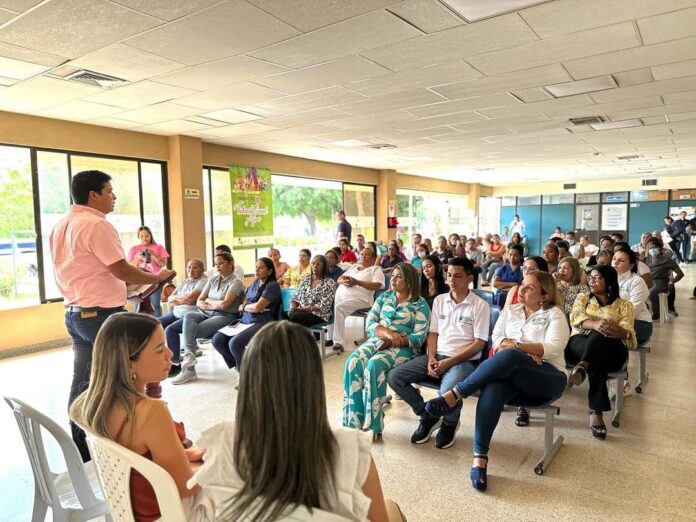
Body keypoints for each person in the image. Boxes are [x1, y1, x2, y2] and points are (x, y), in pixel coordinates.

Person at [189, 321, 405, 521]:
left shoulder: (220, 443)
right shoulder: (352, 451)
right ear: (313, 381)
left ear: (249, 379)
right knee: (391, 507)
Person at [50, 170, 174, 460]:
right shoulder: (97, 225)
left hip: (77, 315)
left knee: (83, 384)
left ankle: (85, 454)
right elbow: (119, 268)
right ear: (94, 194)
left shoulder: (61, 225)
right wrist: (155, 278)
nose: (114, 197)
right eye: (109, 191)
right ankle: (138, 450)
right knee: (128, 382)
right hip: (103, 317)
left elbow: (93, 271)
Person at [424, 271, 569, 491]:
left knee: (510, 356)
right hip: (512, 374)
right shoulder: (510, 311)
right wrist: (521, 351)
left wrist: (519, 348)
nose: (522, 289)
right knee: (494, 385)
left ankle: (456, 393)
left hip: (547, 377)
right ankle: (479, 460)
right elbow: (498, 339)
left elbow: (552, 348)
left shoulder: (554, 314)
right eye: (522, 284)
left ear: (544, 295)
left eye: (530, 287)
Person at [69, 313, 213, 521]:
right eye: (159, 349)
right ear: (129, 363)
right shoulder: (151, 412)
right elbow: (186, 487)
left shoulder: (87, 404)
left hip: (129, 510)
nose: (170, 353)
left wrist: (189, 456)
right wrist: (219, 466)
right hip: (166, 513)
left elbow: (141, 460)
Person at [387, 257, 489, 449]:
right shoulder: (440, 300)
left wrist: (448, 363)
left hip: (463, 361)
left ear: (469, 278)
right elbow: (432, 333)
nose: (451, 279)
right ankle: (427, 415)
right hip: (436, 355)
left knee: (446, 393)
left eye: (457, 276)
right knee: (395, 376)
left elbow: (479, 344)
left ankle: (450, 423)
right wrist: (431, 358)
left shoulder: (480, 305)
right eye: (449, 274)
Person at [343, 263, 430, 440]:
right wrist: (388, 334)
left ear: (409, 281)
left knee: (374, 366)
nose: (393, 280)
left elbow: (419, 337)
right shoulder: (384, 298)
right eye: (394, 276)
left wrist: (394, 341)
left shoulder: (420, 305)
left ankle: (375, 423)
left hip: (404, 348)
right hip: (379, 340)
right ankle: (355, 420)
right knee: (353, 362)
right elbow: (371, 323)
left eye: (399, 277)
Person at [566, 265, 636, 440]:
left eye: (598, 278)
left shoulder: (624, 305)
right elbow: (575, 318)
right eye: (591, 277)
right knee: (598, 343)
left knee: (602, 337)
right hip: (579, 344)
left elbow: (629, 333)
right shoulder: (583, 298)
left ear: (609, 280)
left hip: (613, 350)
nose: (592, 281)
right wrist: (596, 325)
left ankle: (583, 366)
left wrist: (621, 332)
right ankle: (595, 412)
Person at [169, 252, 244, 384]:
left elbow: (225, 305)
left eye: (221, 263)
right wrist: (210, 303)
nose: (218, 266)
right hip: (206, 313)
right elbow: (199, 301)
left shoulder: (236, 282)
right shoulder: (213, 279)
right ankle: (189, 364)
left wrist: (209, 302)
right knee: (189, 315)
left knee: (192, 332)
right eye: (216, 264)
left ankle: (189, 369)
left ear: (230, 264)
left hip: (226, 316)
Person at [211, 257, 282, 373]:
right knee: (217, 339)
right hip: (246, 319)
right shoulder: (255, 283)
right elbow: (246, 299)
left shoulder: (272, 286)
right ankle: (240, 368)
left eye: (261, 267)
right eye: (256, 267)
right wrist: (246, 306)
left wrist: (244, 307)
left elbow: (258, 307)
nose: (257, 270)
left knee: (235, 343)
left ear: (269, 271)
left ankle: (246, 373)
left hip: (262, 321)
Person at [330, 248, 385, 353]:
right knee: (330, 305)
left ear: (373, 258)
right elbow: (339, 279)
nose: (363, 256)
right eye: (361, 254)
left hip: (363, 300)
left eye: (367, 254)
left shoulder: (375, 269)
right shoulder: (354, 267)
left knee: (339, 308)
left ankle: (338, 342)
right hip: (343, 298)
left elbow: (378, 285)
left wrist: (357, 282)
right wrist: (343, 281)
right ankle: (329, 337)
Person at [127, 226, 170, 317]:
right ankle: (138, 325)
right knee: (138, 304)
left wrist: (154, 254)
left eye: (146, 235)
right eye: (141, 236)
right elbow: (130, 267)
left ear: (150, 235)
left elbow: (163, 264)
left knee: (155, 304)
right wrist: (137, 258)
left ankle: (158, 324)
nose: (144, 238)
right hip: (139, 280)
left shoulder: (159, 247)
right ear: (138, 237)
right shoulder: (134, 249)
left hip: (156, 279)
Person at [612, 248, 652, 344]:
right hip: (613, 319)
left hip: (638, 322)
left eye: (621, 260)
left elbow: (633, 310)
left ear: (631, 265)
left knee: (608, 334)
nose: (615, 262)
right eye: (614, 258)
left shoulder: (637, 281)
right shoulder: (608, 279)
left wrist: (609, 318)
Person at [289, 255, 337, 328]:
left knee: (295, 317)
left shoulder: (329, 282)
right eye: (313, 263)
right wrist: (293, 308)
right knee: (287, 315)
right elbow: (295, 297)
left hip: (319, 314)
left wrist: (303, 309)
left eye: (318, 264)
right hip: (301, 311)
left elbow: (323, 306)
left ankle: (300, 337)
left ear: (324, 266)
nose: (315, 266)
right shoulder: (306, 280)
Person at [159, 258, 207, 330]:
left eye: (195, 268)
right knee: (154, 324)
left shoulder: (203, 282)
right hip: (175, 313)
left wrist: (177, 299)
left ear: (202, 270)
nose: (191, 270)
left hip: (190, 314)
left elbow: (191, 299)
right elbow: (170, 299)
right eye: (189, 267)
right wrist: (184, 299)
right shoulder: (184, 282)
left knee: (170, 330)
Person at [645, 237, 684, 319]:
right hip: (648, 281)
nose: (652, 249)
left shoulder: (667, 260)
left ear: (660, 248)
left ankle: (657, 314)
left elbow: (680, 274)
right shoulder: (646, 260)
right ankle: (643, 313)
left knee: (652, 292)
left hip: (661, 283)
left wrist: (672, 282)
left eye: (655, 247)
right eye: (650, 248)